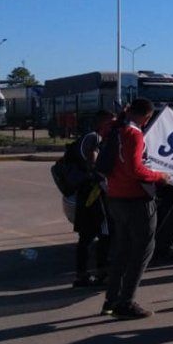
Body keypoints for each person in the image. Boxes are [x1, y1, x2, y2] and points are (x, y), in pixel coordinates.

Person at [101, 98, 171, 320]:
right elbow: (136, 169)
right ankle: (126, 302)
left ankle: (111, 300)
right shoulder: (133, 134)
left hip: (115, 197)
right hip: (136, 199)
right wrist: (160, 176)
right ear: (147, 116)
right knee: (142, 250)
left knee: (122, 250)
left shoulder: (115, 129)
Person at [73, 110, 114, 288]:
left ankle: (82, 275)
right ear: (102, 123)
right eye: (111, 123)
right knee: (104, 233)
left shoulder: (89, 137)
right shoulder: (94, 138)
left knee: (87, 236)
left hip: (87, 195)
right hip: (94, 195)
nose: (113, 126)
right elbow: (94, 164)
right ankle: (102, 273)